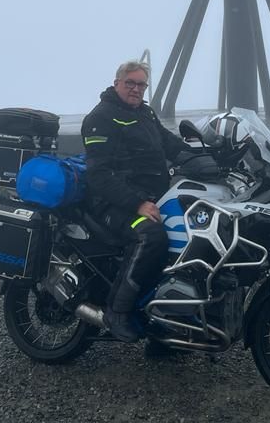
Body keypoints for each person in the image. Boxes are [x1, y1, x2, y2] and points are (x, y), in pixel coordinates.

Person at [81, 60, 187, 343]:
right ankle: (117, 311)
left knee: (184, 237)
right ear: (117, 83)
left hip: (149, 198)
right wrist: (138, 203)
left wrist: (205, 157)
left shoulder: (144, 113)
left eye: (141, 85)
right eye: (130, 83)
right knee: (150, 235)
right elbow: (99, 175)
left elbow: (170, 144)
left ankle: (162, 326)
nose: (136, 89)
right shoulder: (101, 118)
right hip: (111, 204)